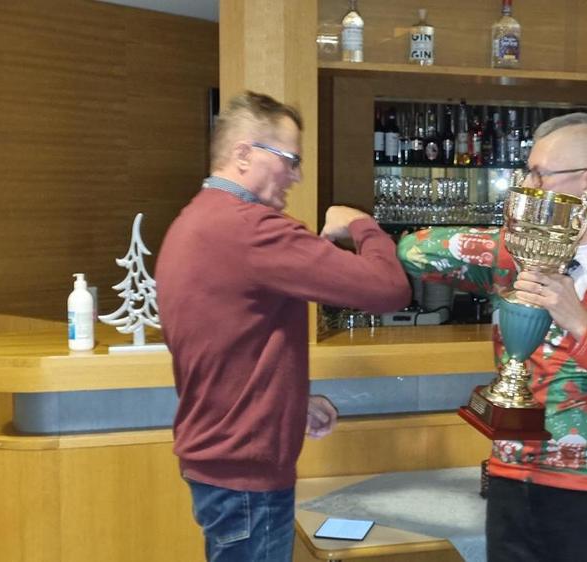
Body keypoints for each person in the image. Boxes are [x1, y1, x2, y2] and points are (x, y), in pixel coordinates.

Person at [398, 112, 587, 562]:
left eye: (541, 174)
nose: (528, 184)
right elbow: (412, 251)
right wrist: (504, 241)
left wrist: (580, 323)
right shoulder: (513, 254)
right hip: (510, 482)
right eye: (527, 172)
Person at [156, 91, 411, 562]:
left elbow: (227, 347)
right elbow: (388, 288)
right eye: (290, 160)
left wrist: (288, 404)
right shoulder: (253, 230)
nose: (297, 175)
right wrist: (361, 225)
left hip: (218, 466)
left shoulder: (193, 221)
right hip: (246, 477)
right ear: (244, 154)